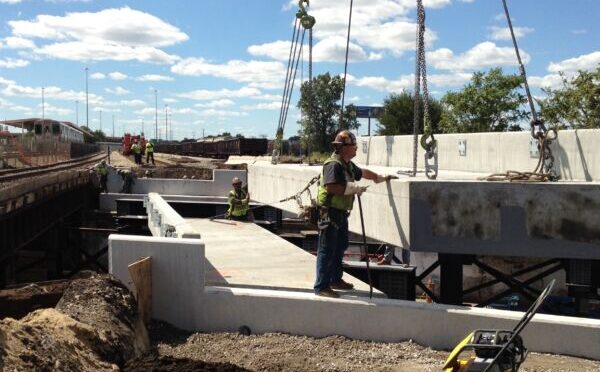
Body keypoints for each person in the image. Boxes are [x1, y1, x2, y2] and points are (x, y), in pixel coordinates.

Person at [314, 130, 397, 298]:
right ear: (344, 148)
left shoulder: (347, 164)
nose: (356, 149)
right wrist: (352, 189)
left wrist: (378, 177)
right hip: (329, 212)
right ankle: (321, 286)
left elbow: (362, 173)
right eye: (354, 146)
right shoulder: (333, 165)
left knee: (340, 247)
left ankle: (335, 279)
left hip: (340, 213)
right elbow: (331, 187)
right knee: (327, 249)